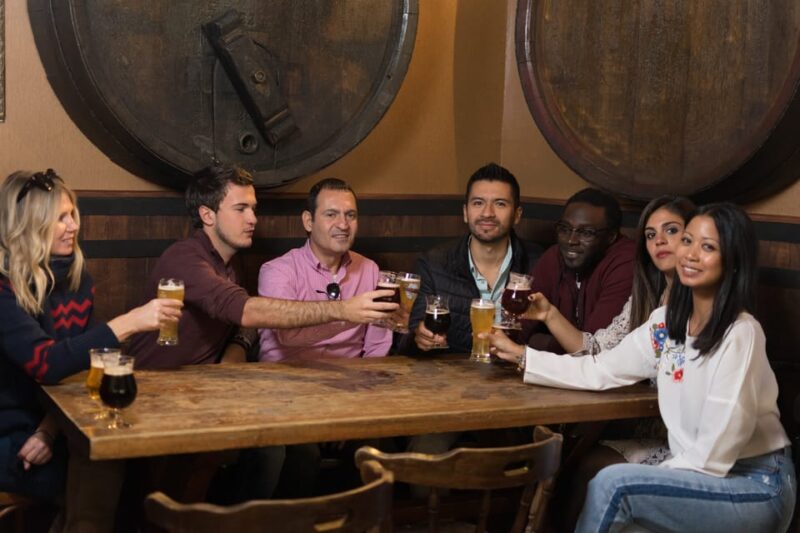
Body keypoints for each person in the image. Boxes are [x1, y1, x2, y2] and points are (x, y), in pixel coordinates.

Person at [487, 203, 796, 532]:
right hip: (695, 475)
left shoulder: (740, 333)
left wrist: (644, 482)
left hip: (755, 486)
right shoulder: (666, 324)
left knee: (613, 486)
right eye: (688, 241)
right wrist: (523, 356)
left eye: (708, 247)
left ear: (733, 262)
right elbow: (600, 370)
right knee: (620, 510)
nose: (690, 254)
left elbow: (712, 457)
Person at [0, 170, 181, 521]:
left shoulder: (76, 279)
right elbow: (47, 363)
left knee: (131, 470)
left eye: (73, 215)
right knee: (102, 473)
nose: (73, 226)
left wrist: (48, 432)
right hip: (8, 430)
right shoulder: (5, 289)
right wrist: (130, 321)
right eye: (61, 219)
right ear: (29, 226)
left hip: (53, 423)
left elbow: (82, 367)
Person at [513, 195, 696, 529]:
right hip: (652, 425)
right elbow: (600, 355)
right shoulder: (652, 302)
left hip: (689, 442)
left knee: (585, 466)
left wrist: (529, 354)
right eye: (651, 235)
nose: (660, 241)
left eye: (672, 231)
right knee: (573, 464)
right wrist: (539, 331)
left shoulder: (706, 306)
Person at [129, 164, 397, 368]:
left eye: (254, 209)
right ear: (207, 215)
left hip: (201, 387)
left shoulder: (232, 264)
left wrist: (237, 349)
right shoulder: (185, 257)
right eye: (241, 209)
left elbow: (241, 323)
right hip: (153, 383)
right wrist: (344, 310)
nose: (253, 219)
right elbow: (246, 311)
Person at [403, 162, 540, 354]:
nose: (487, 213)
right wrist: (419, 337)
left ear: (517, 215)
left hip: (520, 377)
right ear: (465, 212)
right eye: (478, 203)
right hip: (452, 377)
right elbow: (409, 340)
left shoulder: (541, 263)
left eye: (500, 203)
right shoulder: (433, 264)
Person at [257, 177, 391, 361]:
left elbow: (377, 346)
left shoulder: (370, 269)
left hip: (351, 381)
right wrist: (347, 315)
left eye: (350, 215)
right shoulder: (277, 271)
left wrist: (370, 383)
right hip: (287, 381)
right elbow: (288, 336)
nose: (343, 225)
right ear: (308, 221)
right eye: (331, 214)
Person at [521, 188, 636, 353]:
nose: (571, 240)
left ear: (610, 237)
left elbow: (591, 349)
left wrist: (538, 342)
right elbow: (520, 326)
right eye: (565, 229)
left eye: (586, 233)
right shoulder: (554, 256)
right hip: (560, 373)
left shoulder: (625, 262)